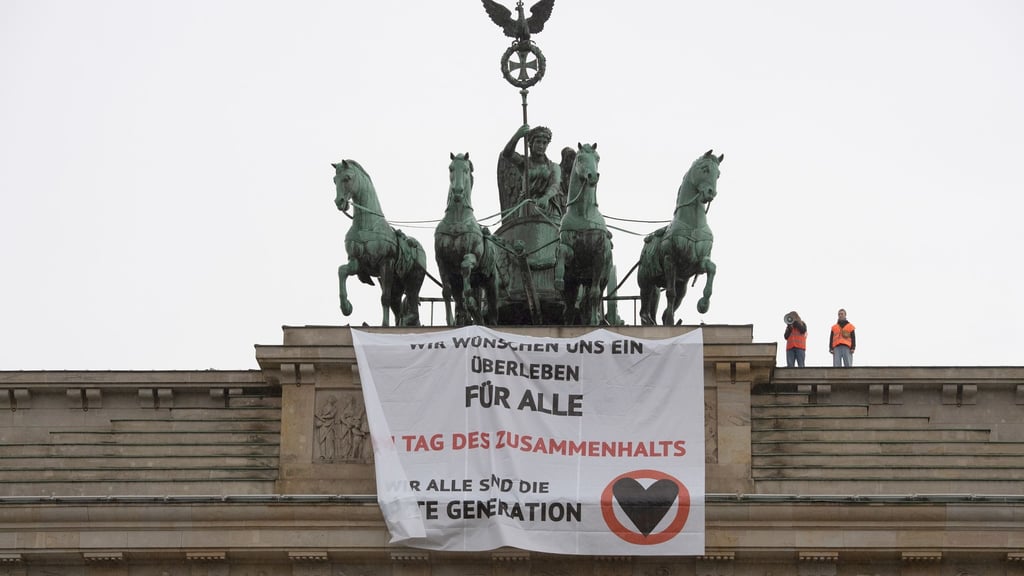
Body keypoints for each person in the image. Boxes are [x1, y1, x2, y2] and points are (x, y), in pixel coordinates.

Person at [500, 124, 564, 218]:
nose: (541, 146)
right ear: (530, 143)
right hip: (528, 205)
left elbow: (555, 185)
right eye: (538, 142)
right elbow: (507, 154)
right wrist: (517, 136)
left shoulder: (554, 167)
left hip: (548, 205)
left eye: (544, 143)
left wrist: (546, 197)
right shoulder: (524, 163)